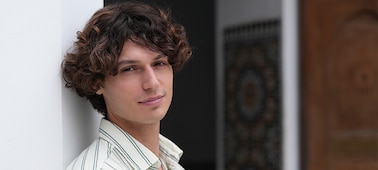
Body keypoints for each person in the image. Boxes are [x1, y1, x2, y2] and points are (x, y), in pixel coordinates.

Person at [62, 1, 192, 169]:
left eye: (159, 64)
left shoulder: (169, 162)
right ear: (97, 82)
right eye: (130, 69)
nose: (152, 83)